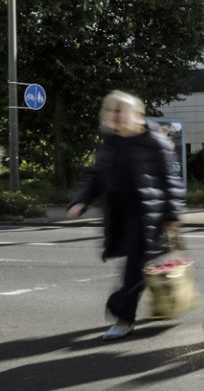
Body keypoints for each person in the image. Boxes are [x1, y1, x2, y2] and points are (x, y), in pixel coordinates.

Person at [67, 91, 184, 341]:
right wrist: (80, 201)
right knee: (137, 266)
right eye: (111, 110)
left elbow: (169, 179)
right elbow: (95, 176)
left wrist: (172, 212)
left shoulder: (153, 139)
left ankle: (123, 318)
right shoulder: (109, 141)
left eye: (120, 111)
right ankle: (131, 307)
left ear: (136, 113)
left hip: (146, 212)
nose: (115, 116)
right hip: (118, 212)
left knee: (133, 268)